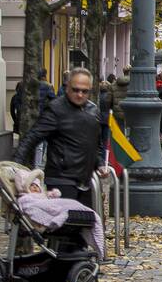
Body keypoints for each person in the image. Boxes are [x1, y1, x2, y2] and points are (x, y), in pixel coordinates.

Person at [14, 68, 107, 209]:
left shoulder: (93, 110)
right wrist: (15, 165)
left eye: (84, 91)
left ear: (90, 90)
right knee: (63, 225)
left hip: (86, 180)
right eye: (75, 90)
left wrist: (100, 163)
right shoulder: (55, 109)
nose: (80, 95)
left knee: (87, 224)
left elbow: (97, 143)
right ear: (67, 87)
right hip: (61, 180)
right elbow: (32, 137)